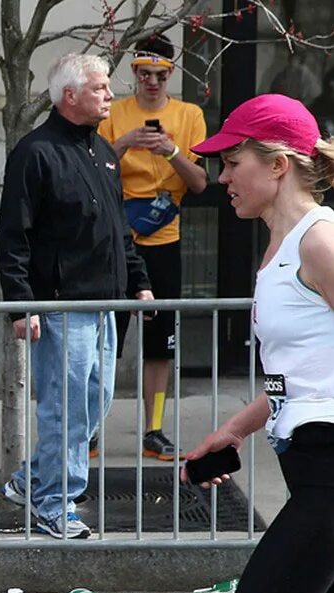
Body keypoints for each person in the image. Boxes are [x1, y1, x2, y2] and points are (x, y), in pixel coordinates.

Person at [122, 94, 334, 593]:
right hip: (307, 463)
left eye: (232, 159)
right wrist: (236, 429)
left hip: (331, 477)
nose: (219, 172)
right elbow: (299, 370)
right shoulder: (280, 249)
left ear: (279, 165)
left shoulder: (319, 239)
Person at [0, 54, 152, 539]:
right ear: (71, 96)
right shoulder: (35, 152)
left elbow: (117, 229)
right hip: (60, 304)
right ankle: (55, 503)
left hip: (104, 303)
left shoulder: (103, 152)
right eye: (101, 88)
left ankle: (31, 480)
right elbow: (13, 234)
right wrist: (23, 302)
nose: (110, 94)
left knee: (95, 404)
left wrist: (139, 278)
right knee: (66, 409)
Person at [98, 35, 208, 462]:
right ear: (134, 74)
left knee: (160, 342)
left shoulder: (188, 114)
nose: (151, 83)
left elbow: (199, 183)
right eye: (143, 74)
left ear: (170, 74)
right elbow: (92, 169)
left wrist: (172, 151)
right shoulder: (116, 114)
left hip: (164, 240)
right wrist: (125, 142)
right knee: (106, 337)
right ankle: (90, 428)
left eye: (159, 75)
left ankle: (153, 429)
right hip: (119, 239)